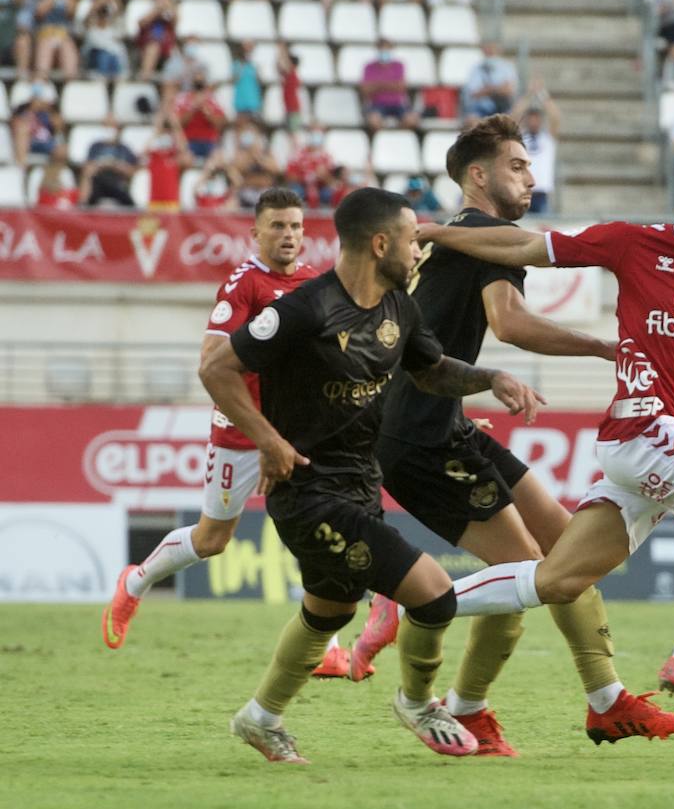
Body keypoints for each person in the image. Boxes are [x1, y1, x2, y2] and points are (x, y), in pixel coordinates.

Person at [351, 116, 674, 752]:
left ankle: (561, 702)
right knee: (528, 575)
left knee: (567, 550)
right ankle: (429, 679)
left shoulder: (447, 239)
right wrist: (601, 345)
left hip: (441, 423)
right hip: (420, 438)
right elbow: (508, 323)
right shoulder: (487, 235)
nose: (532, 177)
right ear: (478, 176)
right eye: (518, 166)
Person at [416, 139, 674, 705]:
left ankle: (415, 599)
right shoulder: (633, 244)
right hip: (646, 427)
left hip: (656, 450)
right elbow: (521, 246)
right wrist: (439, 233)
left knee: (558, 579)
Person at [200, 187, 544, 763]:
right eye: (412, 240)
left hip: (362, 483)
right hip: (308, 492)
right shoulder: (305, 308)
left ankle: (260, 717)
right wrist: (268, 440)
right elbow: (216, 367)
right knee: (434, 595)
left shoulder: (399, 307)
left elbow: (431, 372)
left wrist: (491, 378)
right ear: (380, 242)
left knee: (328, 609)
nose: (418, 251)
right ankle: (418, 701)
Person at [102, 190, 343, 674]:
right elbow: (211, 364)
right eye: (277, 226)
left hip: (298, 431)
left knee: (326, 525)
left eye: (296, 226)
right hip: (242, 432)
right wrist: (260, 434)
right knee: (213, 540)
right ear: (255, 234)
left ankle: (329, 646)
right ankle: (135, 582)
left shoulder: (317, 284)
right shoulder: (243, 286)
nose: (289, 235)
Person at [512, 77, 560, 215]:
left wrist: (542, 94)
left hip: (542, 193)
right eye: (530, 118)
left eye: (536, 118)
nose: (534, 122)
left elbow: (555, 117)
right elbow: (514, 116)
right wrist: (528, 94)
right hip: (522, 191)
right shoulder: (521, 138)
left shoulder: (547, 138)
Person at [81, 113, 138, 206]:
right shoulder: (95, 147)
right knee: (94, 179)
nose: (109, 130)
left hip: (117, 181)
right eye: (106, 126)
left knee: (117, 185)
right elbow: (87, 169)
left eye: (112, 126)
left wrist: (114, 165)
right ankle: (83, 206)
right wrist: (102, 165)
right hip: (98, 182)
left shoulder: (124, 149)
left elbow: (131, 171)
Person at [363, 39, 419, 131]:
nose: (384, 52)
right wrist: (391, 85)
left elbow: (402, 87)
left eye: (387, 49)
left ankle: (399, 138)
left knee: (411, 120)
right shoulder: (369, 66)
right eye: (382, 49)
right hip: (377, 104)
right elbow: (365, 90)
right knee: (373, 121)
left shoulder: (399, 65)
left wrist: (378, 85)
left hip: (398, 104)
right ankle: (381, 141)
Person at [462, 42, 518, 120]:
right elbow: (474, 93)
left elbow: (509, 90)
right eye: (487, 48)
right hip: (481, 110)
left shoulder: (507, 67)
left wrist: (488, 89)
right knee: (472, 119)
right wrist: (498, 89)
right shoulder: (476, 68)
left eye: (492, 48)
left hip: (503, 109)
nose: (490, 51)